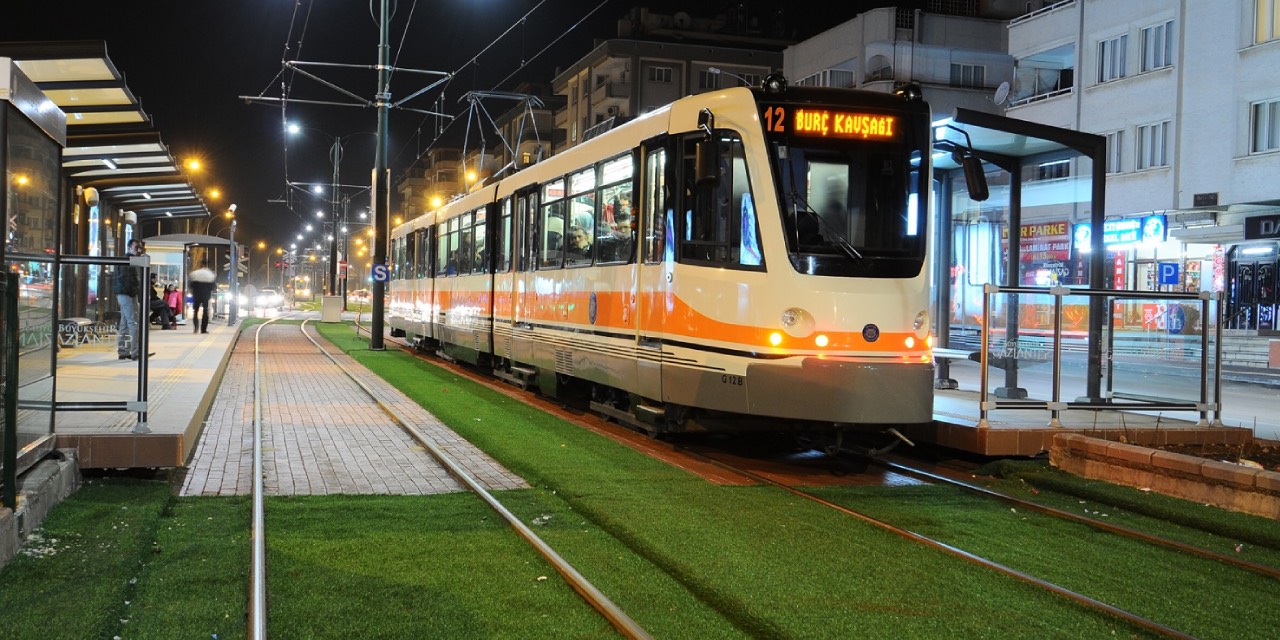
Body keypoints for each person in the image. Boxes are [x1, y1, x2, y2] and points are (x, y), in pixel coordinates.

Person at [114, 239, 144, 360]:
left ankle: (123, 351)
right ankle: (135, 352)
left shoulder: (127, 261)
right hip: (127, 294)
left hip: (124, 294)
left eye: (139, 248)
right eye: (136, 248)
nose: (138, 250)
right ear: (129, 248)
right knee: (133, 322)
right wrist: (135, 291)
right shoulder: (129, 261)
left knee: (125, 322)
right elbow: (128, 280)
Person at [189, 261, 217, 334]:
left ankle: (196, 328)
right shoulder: (211, 274)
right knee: (205, 311)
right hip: (206, 295)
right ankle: (203, 329)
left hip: (196, 294)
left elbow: (191, 285)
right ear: (207, 265)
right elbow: (213, 286)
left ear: (200, 264)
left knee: (195, 311)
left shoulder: (195, 273)